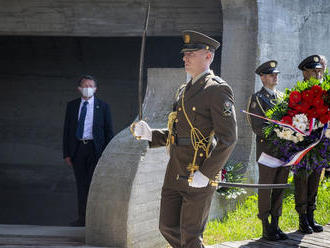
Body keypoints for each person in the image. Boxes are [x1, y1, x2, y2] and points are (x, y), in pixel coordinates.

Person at [131, 30, 237, 248]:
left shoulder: (217, 89)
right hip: (175, 168)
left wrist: (206, 173)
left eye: (191, 53)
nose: (184, 57)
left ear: (208, 56)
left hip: (198, 167)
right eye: (185, 53)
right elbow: (178, 133)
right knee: (167, 227)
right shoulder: (183, 90)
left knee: (190, 234)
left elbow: (229, 138)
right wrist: (151, 134)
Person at [247, 61, 290, 241]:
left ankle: (276, 224)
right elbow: (257, 126)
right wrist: (279, 131)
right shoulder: (257, 99)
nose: (275, 77)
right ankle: (265, 226)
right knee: (266, 188)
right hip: (268, 151)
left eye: (276, 74)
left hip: (284, 151)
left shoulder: (282, 97)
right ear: (263, 77)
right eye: (272, 74)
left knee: (279, 187)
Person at [63, 75, 114, 226]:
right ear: (79, 89)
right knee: (81, 184)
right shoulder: (72, 106)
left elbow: (108, 131)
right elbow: (67, 130)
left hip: (95, 149)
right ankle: (82, 219)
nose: (87, 88)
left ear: (95, 89)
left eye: (90, 86)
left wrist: (108, 153)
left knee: (94, 184)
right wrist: (66, 153)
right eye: (84, 86)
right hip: (78, 148)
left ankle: (95, 220)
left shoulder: (103, 106)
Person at [295, 55, 324, 234]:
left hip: (321, 143)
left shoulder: (325, 92)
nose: (318, 73)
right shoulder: (298, 93)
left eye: (319, 70)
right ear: (305, 73)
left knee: (315, 179)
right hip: (304, 144)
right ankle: (302, 217)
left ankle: (311, 215)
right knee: (302, 180)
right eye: (314, 70)